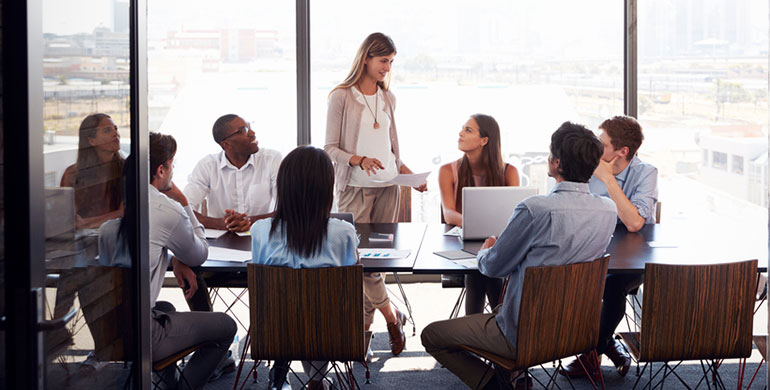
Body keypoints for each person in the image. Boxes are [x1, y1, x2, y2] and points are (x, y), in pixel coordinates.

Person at [421, 122, 617, 390]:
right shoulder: (608, 210)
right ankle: (508, 376)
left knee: (431, 335)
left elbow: (493, 267)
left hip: (522, 333)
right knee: (502, 308)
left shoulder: (535, 209)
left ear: (556, 162)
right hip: (577, 331)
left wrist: (486, 251)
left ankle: (494, 384)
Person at [99, 132, 237, 389]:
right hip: (144, 332)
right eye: (172, 164)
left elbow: (149, 247)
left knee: (166, 308)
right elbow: (199, 253)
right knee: (226, 326)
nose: (173, 171)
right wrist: (184, 203)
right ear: (161, 170)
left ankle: (167, 384)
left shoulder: (113, 224)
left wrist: (176, 259)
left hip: (109, 332)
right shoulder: (165, 209)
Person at [324, 32, 426, 356]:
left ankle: (362, 332)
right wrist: (359, 160)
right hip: (355, 189)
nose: (387, 67)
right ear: (366, 57)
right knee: (359, 263)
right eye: (384, 61)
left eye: (391, 62)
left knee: (375, 265)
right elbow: (329, 149)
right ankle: (391, 316)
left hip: (388, 189)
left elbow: (392, 151)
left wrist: (409, 177)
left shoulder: (388, 98)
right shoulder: (341, 96)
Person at [250, 146, 358, 390]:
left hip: (273, 334)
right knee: (322, 305)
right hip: (332, 336)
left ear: (283, 186)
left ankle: (307, 379)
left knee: (294, 307)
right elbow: (351, 276)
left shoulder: (260, 230)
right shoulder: (343, 232)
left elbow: (259, 274)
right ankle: (317, 381)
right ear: (326, 188)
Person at [562, 115, 658, 379]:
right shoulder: (586, 166)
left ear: (622, 152)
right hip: (591, 249)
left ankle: (590, 351)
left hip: (633, 260)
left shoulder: (645, 172)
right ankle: (608, 346)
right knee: (582, 279)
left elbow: (635, 223)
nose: (594, 146)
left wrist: (608, 179)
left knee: (612, 285)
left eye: (601, 143)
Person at [438, 114, 519, 315]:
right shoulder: (447, 170)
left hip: (498, 243)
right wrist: (480, 226)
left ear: (484, 140)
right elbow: (448, 214)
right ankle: (499, 325)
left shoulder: (509, 171)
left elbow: (513, 216)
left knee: (483, 265)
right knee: (482, 267)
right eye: (462, 128)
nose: (460, 133)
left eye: (468, 130)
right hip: (462, 244)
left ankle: (475, 332)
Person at [184, 114, 281, 232]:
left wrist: (248, 222)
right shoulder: (207, 165)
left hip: (261, 237)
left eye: (250, 127)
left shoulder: (272, 159)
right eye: (244, 130)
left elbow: (286, 210)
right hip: (221, 241)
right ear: (226, 144)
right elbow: (185, 211)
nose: (252, 133)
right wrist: (221, 223)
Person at [61, 113, 125, 229]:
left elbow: (125, 212)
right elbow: (68, 217)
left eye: (115, 128)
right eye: (107, 130)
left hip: (114, 238)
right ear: (91, 141)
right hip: (83, 240)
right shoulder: (72, 174)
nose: (116, 134)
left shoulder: (128, 168)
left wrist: (85, 223)